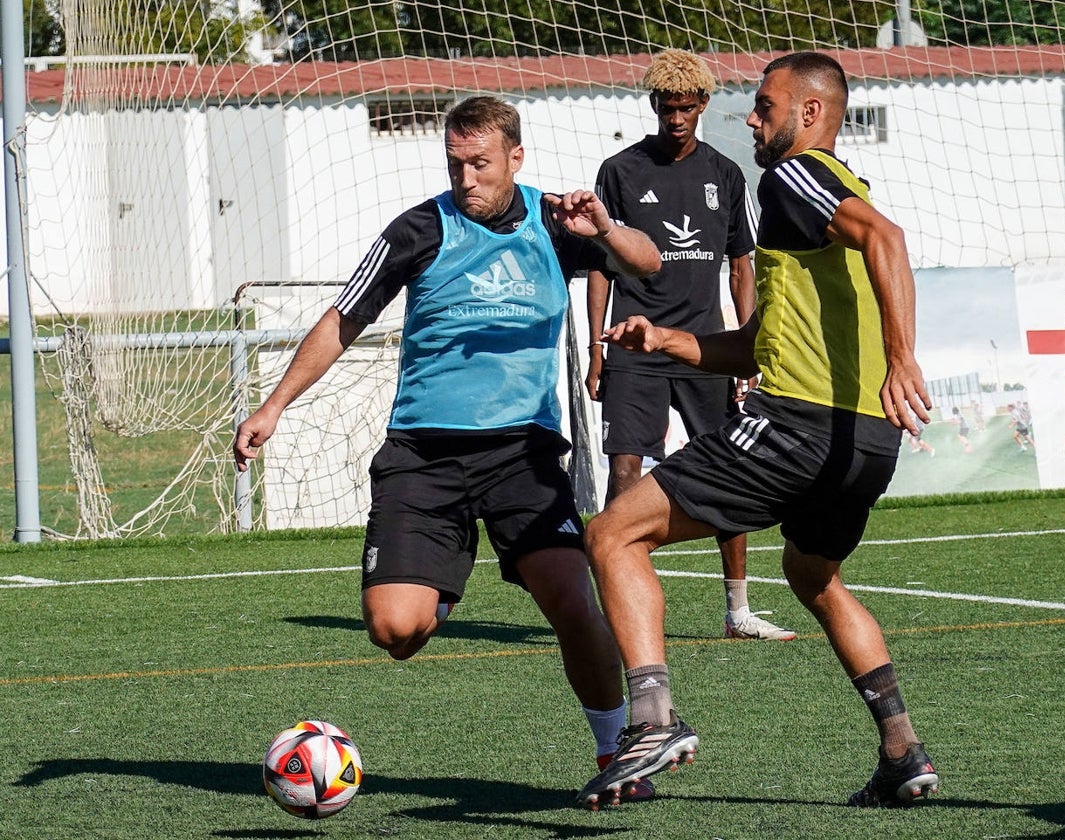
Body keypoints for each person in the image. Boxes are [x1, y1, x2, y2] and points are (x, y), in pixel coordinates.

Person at [233, 96, 662, 799]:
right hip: (423, 459)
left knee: (571, 600)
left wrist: (607, 229)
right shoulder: (419, 229)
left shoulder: (558, 224)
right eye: (456, 163)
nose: (467, 178)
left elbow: (649, 269)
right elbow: (344, 318)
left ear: (515, 158)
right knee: (395, 632)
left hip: (522, 455)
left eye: (481, 164)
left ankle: (616, 752)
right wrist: (274, 406)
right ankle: (442, 577)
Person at [578, 52, 939, 809]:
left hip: (799, 428)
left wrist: (903, 357)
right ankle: (903, 751)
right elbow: (763, 341)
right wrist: (671, 341)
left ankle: (651, 721)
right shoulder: (816, 209)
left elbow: (890, 238)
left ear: (810, 115)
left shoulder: (798, 176)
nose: (752, 118)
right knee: (813, 577)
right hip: (865, 445)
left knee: (612, 534)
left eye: (765, 107)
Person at [587, 48, 794, 642]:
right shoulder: (620, 171)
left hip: (704, 348)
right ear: (653, 105)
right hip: (633, 345)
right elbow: (601, 264)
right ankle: (618, 612)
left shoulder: (726, 174)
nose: (676, 118)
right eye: (666, 107)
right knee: (625, 467)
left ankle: (738, 612)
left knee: (733, 469)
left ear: (703, 104)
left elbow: (740, 266)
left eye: (687, 107)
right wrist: (597, 349)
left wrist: (749, 349)